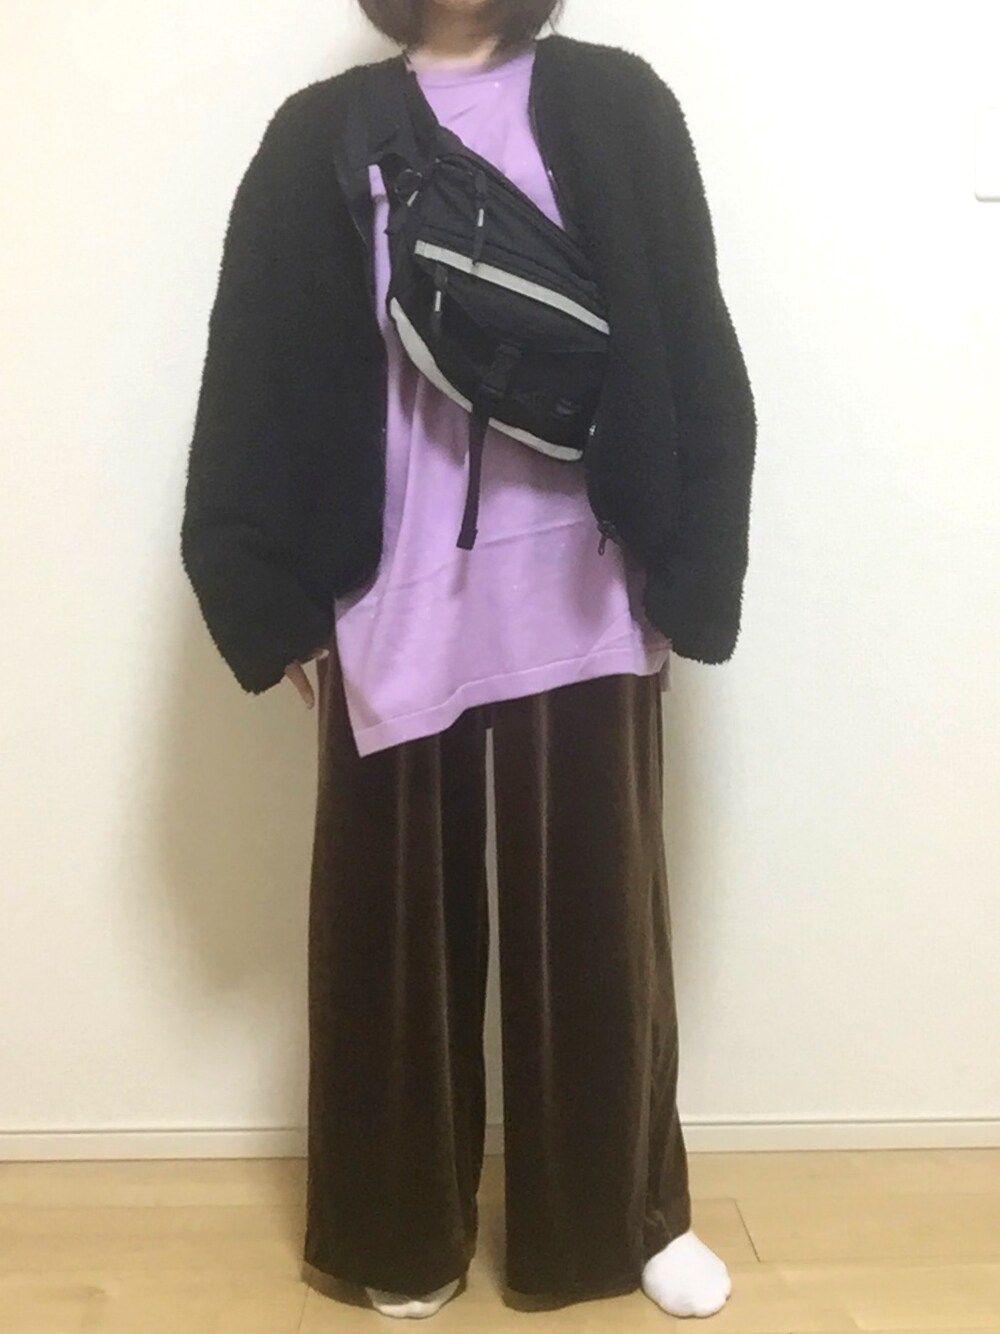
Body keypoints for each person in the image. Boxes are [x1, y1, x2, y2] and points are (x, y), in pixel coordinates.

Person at [181, 0, 756, 1320]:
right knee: (387, 935)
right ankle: (401, 1233)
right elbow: (253, 362)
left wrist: (690, 562)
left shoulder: (616, 104)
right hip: (392, 588)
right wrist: (266, 595)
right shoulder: (321, 135)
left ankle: (620, 1218)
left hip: (583, 578)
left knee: (599, 920)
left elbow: (690, 334)